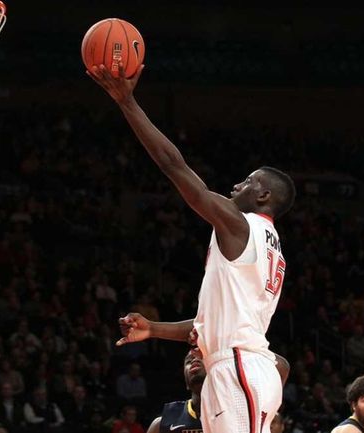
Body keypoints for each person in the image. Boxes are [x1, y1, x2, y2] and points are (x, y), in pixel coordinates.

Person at [90, 62, 296, 433]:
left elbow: (174, 166)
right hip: (237, 366)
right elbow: (208, 325)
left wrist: (128, 103)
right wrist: (153, 329)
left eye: (248, 182)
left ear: (264, 195)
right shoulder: (269, 246)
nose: (236, 186)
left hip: (238, 370)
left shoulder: (241, 225)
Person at [147, 349, 290, 433]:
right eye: (189, 361)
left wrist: (234, 346)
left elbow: (281, 366)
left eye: (203, 356)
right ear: (185, 382)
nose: (195, 361)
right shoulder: (163, 423)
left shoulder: (243, 409)